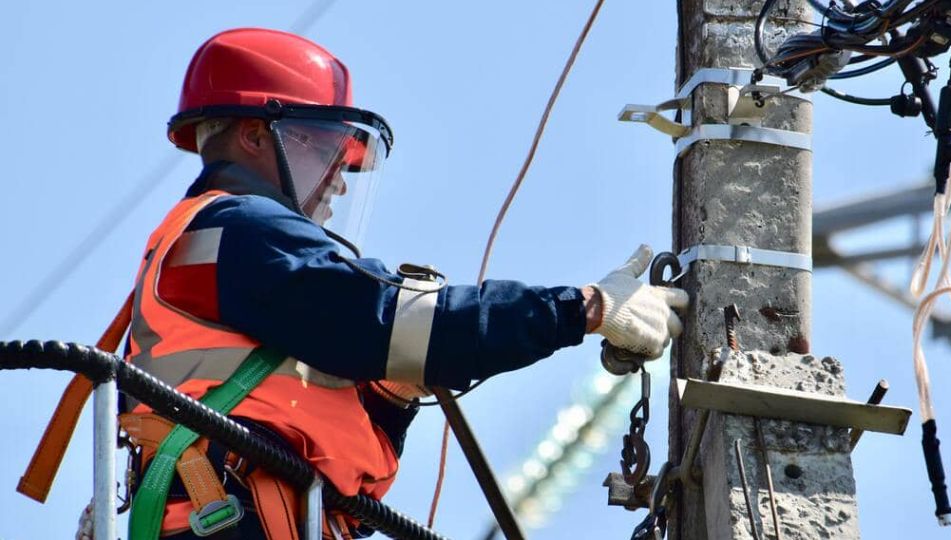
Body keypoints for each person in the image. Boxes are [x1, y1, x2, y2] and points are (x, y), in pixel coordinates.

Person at [114, 27, 688, 539]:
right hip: (228, 522)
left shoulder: (234, 261)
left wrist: (391, 397)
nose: (339, 178)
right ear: (255, 136)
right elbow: (383, 319)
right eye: (323, 145)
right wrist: (585, 308)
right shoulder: (240, 227)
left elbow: (351, 481)